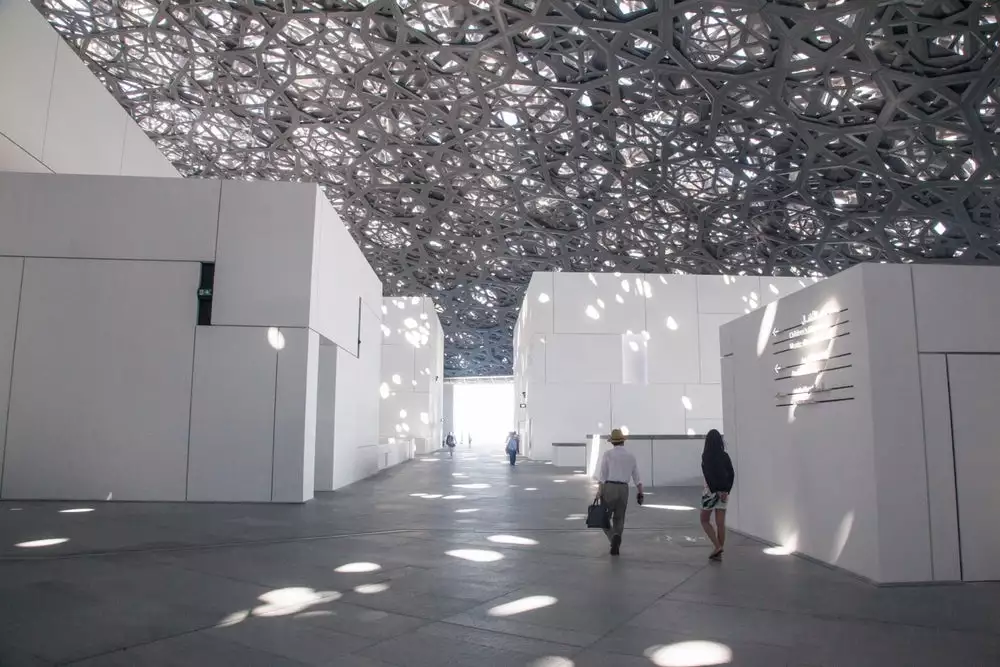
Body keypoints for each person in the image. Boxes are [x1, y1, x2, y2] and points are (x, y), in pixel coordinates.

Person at [595, 429, 644, 556]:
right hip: (624, 489)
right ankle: (617, 539)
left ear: (612, 442)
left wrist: (599, 491)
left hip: (609, 488)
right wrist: (640, 493)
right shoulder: (631, 456)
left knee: (603, 518)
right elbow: (637, 477)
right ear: (623, 441)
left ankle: (612, 538)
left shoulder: (608, 454)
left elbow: (602, 476)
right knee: (619, 518)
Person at [700, 429, 735, 561]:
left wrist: (717, 490)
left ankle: (717, 546)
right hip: (724, 493)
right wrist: (726, 491)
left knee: (704, 520)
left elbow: (709, 475)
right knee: (721, 523)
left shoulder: (706, 456)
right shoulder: (725, 456)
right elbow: (731, 474)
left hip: (711, 493)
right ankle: (718, 552)